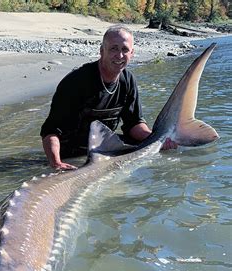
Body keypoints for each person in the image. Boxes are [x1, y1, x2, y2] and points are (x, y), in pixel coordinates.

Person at [40, 25, 177, 170]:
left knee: (149, 151)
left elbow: (133, 124)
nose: (119, 55)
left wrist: (156, 139)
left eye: (124, 49)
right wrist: (56, 162)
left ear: (132, 53)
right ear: (101, 51)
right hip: (71, 153)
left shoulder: (128, 80)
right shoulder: (76, 82)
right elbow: (51, 130)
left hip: (104, 149)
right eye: (113, 49)